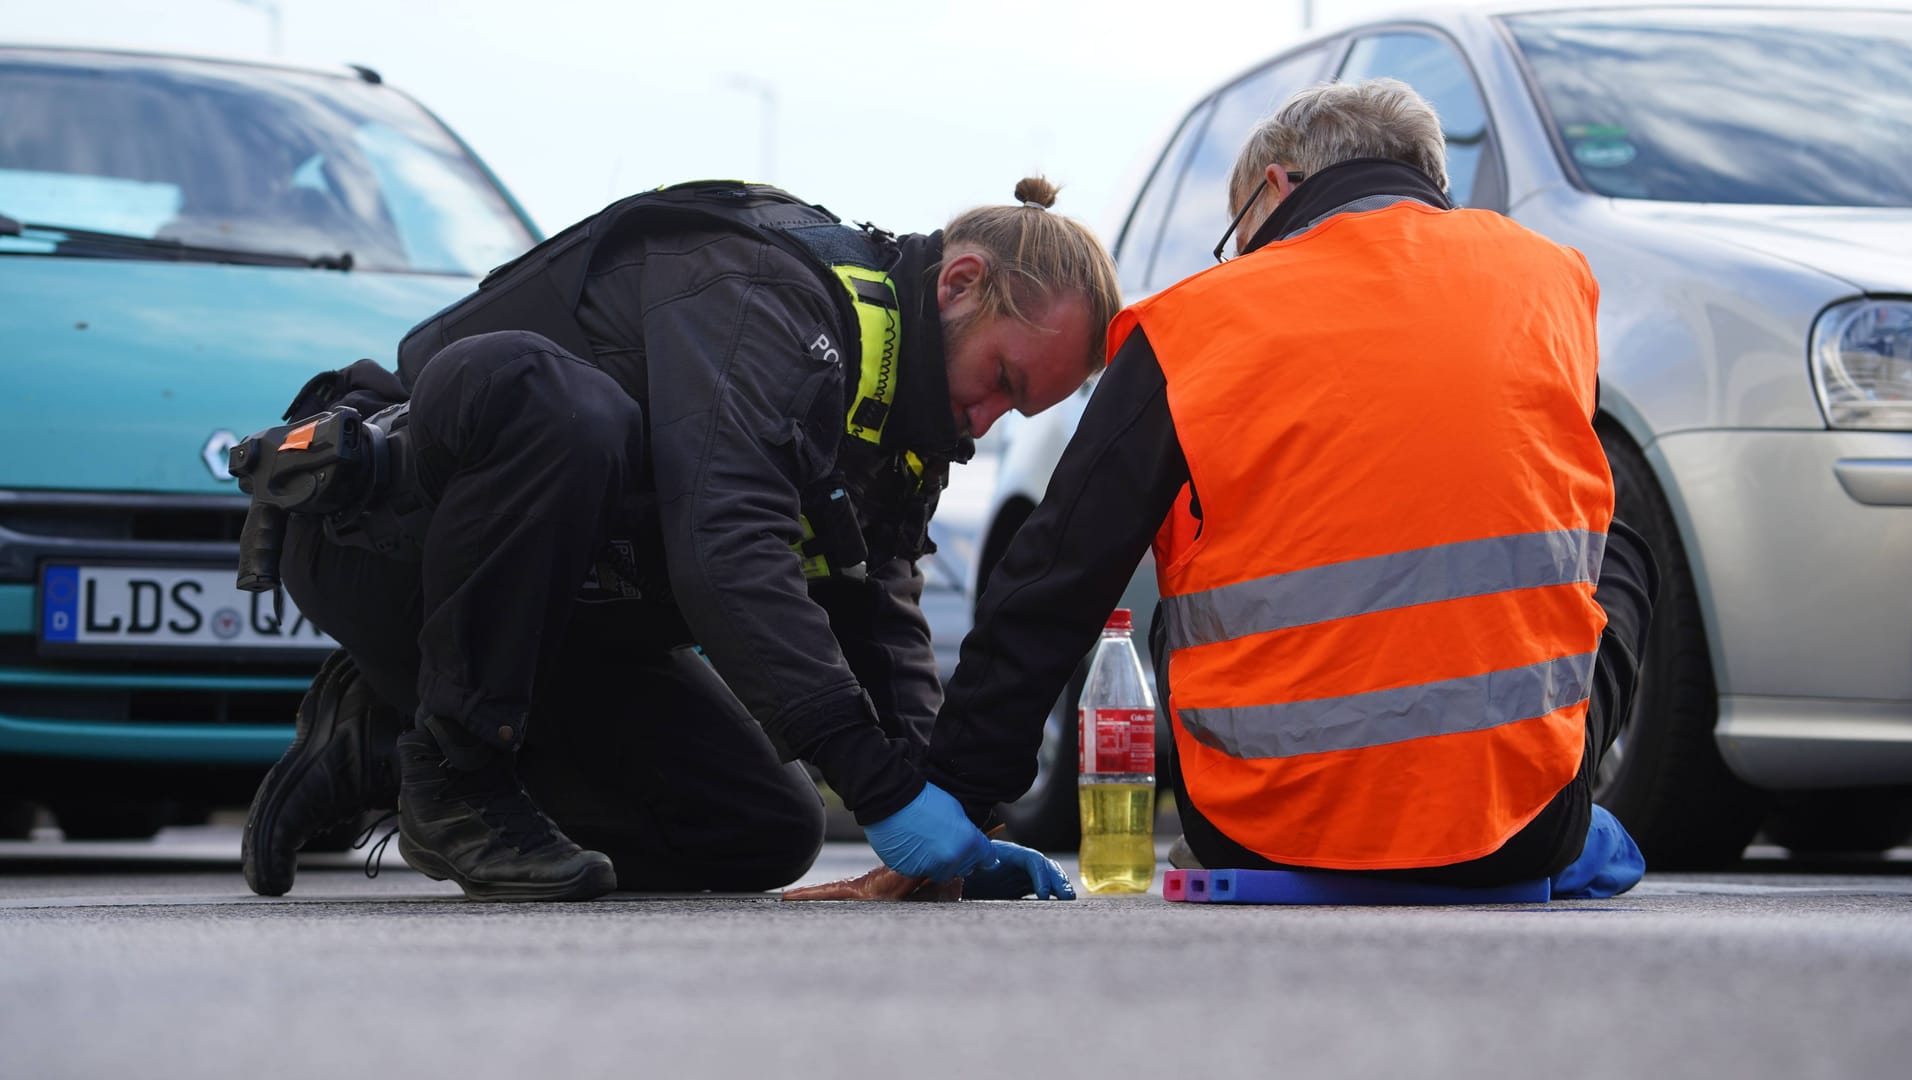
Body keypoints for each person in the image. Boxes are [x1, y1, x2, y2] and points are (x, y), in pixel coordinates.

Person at [241, 177, 1117, 902]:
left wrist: (954, 816)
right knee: (560, 408)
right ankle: (455, 772)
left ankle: (385, 736)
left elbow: (875, 612)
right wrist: (882, 791)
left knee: (761, 833)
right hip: (385, 554)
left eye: (1019, 408)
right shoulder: (763, 290)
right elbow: (727, 544)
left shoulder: (900, 421)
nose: (989, 419)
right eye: (1002, 380)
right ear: (959, 282)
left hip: (557, 629)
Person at [915, 80, 1659, 893]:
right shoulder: (1552, 282)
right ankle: (1549, 788)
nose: (1241, 263)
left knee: (1184, 563)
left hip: (1257, 827)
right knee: (1615, 540)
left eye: (1241, 237)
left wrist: (955, 804)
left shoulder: (1192, 324)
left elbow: (1058, 574)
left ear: (1276, 188)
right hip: (1521, 833)